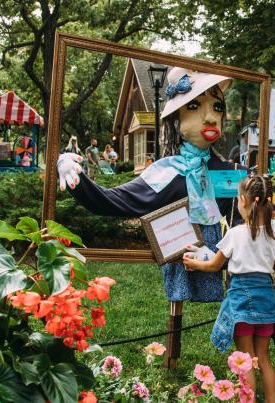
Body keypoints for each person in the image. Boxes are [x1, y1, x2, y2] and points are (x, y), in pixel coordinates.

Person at [57, 67, 241, 303]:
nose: (210, 117)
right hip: (178, 255)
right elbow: (112, 202)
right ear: (176, 121)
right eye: (194, 107)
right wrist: (76, 177)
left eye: (218, 107)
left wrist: (219, 256)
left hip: (218, 263)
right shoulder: (166, 172)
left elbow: (245, 226)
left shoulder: (229, 173)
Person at [183, 175, 275, 402]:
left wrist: (194, 263)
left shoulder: (235, 234)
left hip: (241, 301)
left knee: (246, 359)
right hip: (266, 302)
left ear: (243, 202)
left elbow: (215, 265)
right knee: (263, 359)